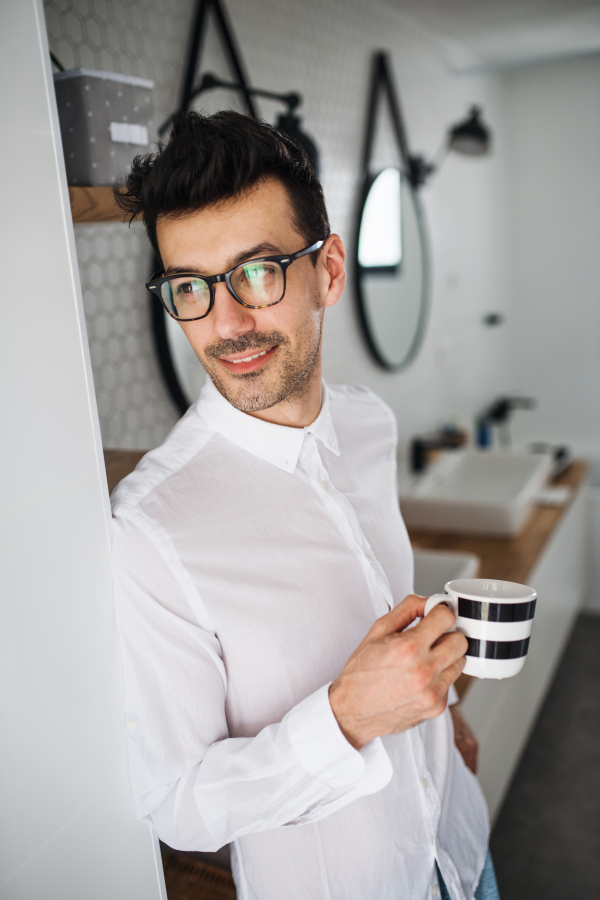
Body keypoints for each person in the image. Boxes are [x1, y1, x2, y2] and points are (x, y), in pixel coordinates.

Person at [111, 110, 499, 900]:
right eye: (189, 287)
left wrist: (437, 716)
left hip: (462, 854)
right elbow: (177, 804)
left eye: (256, 272)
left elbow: (375, 603)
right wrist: (348, 719)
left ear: (328, 269)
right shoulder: (151, 531)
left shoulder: (368, 423)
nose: (225, 323)